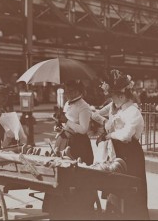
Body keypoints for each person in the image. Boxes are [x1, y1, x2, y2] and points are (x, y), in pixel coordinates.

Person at [91, 69, 149, 220]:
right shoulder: (115, 107)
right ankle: (116, 214)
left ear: (122, 95)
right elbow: (97, 113)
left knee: (131, 185)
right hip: (118, 151)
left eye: (114, 97)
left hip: (130, 153)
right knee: (116, 182)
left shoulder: (133, 112)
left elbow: (126, 135)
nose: (112, 100)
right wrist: (103, 120)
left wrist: (109, 134)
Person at [42, 80, 95, 219]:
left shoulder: (84, 107)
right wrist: (60, 126)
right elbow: (66, 124)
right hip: (63, 140)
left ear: (78, 91)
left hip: (78, 145)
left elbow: (83, 130)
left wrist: (67, 121)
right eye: (66, 91)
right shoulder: (67, 103)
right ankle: (58, 210)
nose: (67, 94)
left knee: (74, 177)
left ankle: (75, 211)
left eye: (70, 91)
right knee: (58, 173)